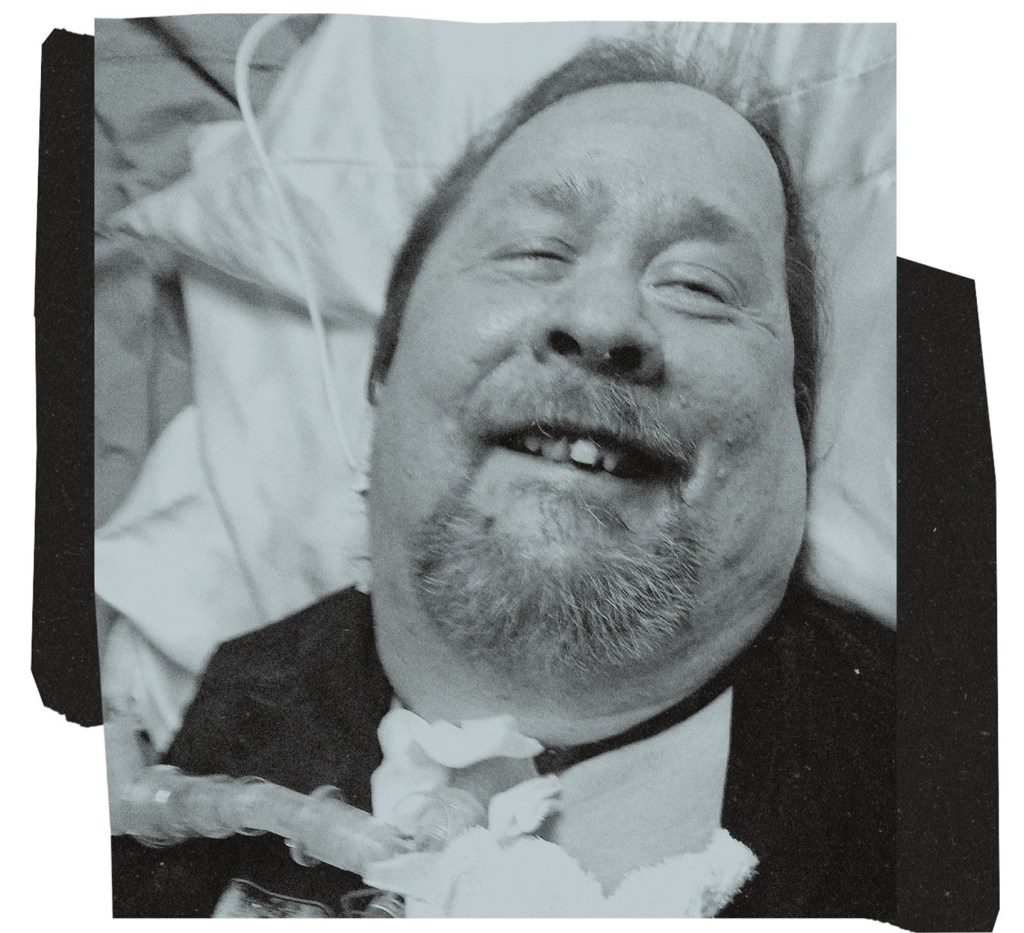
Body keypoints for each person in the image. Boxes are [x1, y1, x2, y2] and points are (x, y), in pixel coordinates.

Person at [111, 36, 893, 919]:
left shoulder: (942, 765)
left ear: (798, 422)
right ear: (386, 367)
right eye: (535, 252)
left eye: (700, 285)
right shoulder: (221, 723)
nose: (602, 319)